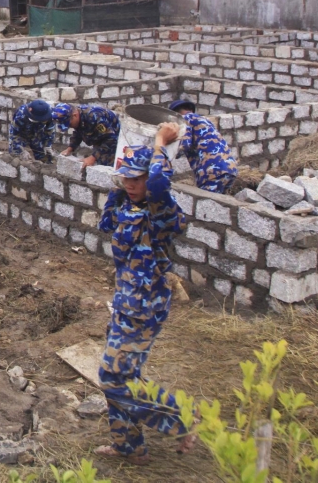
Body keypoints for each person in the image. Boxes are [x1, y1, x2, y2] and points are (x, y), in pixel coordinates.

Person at [95, 129, 195, 464]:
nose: (130, 184)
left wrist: (160, 146)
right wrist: (118, 185)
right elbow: (106, 223)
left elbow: (159, 185)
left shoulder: (160, 213)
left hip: (145, 308)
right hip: (125, 304)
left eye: (136, 179)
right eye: (126, 178)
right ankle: (129, 447)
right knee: (123, 376)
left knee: (112, 378)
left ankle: (181, 419)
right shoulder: (126, 205)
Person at [168, 99, 237, 194]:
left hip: (212, 171)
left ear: (175, 115)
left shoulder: (185, 118)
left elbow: (184, 144)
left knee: (206, 201)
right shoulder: (205, 121)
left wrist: (165, 152)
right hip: (230, 168)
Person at [53, 103, 121, 168]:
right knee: (98, 160)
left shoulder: (94, 117)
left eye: (69, 124)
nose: (69, 127)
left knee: (107, 167)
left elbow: (111, 138)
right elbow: (78, 133)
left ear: (75, 115)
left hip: (115, 141)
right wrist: (70, 148)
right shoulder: (78, 117)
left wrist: (93, 157)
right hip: (101, 138)